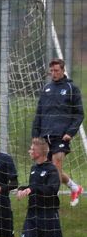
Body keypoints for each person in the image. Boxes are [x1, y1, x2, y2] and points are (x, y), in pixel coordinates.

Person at [32, 58, 84, 206]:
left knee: (55, 167)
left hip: (61, 136)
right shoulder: (46, 89)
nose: (54, 73)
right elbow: (39, 114)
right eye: (52, 71)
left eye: (57, 71)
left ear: (63, 70)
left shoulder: (71, 88)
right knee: (49, 169)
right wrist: (35, 135)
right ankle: (74, 187)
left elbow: (79, 114)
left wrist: (70, 132)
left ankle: (51, 204)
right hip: (44, 136)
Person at [16, 138, 63, 237]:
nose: (29, 151)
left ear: (38, 152)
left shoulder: (51, 170)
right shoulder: (33, 169)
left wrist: (32, 189)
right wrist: (23, 189)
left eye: (31, 149)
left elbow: (52, 189)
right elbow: (33, 187)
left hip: (48, 213)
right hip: (33, 213)